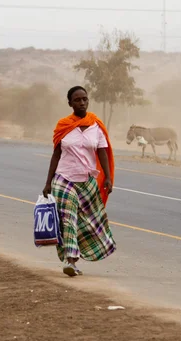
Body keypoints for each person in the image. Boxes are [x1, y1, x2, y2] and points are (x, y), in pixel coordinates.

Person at [42, 86, 116, 277]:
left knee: (90, 221)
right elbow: (56, 154)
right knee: (69, 219)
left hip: (87, 180)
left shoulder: (96, 126)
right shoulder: (63, 126)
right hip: (64, 178)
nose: (82, 103)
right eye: (77, 100)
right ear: (70, 103)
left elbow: (102, 152)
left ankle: (83, 253)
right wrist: (48, 182)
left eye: (84, 99)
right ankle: (71, 261)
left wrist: (107, 177)